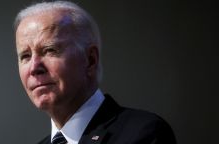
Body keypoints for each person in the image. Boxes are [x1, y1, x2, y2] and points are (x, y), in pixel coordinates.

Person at [14, 1, 176, 144]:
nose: (34, 68)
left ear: (90, 60)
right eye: (25, 56)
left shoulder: (143, 133)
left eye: (49, 50)